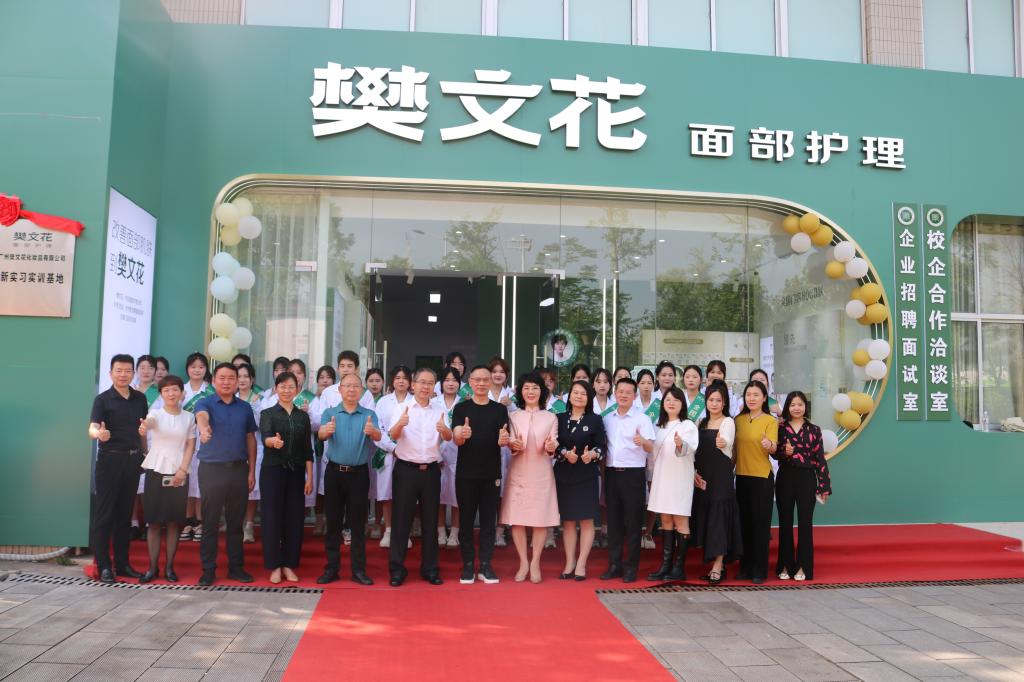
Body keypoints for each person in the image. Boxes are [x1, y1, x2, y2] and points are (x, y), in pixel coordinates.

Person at [386, 368, 453, 587]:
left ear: (435, 387)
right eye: (422, 382)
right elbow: (392, 435)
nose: (426, 386)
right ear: (413, 385)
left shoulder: (439, 410)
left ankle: (430, 569)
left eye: (430, 383)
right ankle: (397, 569)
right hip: (406, 470)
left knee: (430, 522)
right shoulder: (401, 408)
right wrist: (401, 424)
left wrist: (444, 430)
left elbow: (448, 437)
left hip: (431, 471)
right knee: (401, 521)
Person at [194, 363, 258, 586]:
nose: (227, 382)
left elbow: (250, 438)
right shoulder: (205, 402)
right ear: (213, 381)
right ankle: (208, 570)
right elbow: (201, 416)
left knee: (235, 522)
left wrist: (252, 470)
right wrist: (204, 429)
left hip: (239, 470)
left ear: (237, 381)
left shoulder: (245, 407)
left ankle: (236, 568)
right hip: (211, 470)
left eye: (231, 378)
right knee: (210, 522)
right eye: (222, 377)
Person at [88, 354, 148, 583]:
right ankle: (104, 566)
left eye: (127, 371)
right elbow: (92, 427)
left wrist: (145, 453)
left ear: (133, 373)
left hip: (132, 461)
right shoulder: (103, 400)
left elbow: (142, 429)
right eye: (119, 370)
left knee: (124, 516)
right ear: (110, 373)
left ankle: (122, 565)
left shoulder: (140, 398)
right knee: (104, 516)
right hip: (109, 462)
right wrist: (99, 434)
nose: (123, 375)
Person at [317, 373, 381, 585]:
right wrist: (325, 431)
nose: (352, 389)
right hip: (334, 473)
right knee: (333, 522)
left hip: (359, 475)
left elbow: (379, 437)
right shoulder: (330, 413)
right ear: (340, 389)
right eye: (347, 386)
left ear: (361, 390)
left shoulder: (369, 414)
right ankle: (331, 568)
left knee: (358, 524)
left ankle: (358, 570)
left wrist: (373, 432)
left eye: (356, 386)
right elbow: (321, 434)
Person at [451, 365, 511, 584]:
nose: (482, 383)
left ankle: (486, 564)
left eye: (486, 379)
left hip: (491, 473)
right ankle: (468, 564)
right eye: (477, 380)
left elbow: (505, 437)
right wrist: (462, 434)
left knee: (488, 521)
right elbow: (456, 437)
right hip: (466, 474)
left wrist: (504, 440)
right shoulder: (461, 408)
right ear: (470, 382)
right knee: (466, 521)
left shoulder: (499, 410)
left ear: (491, 382)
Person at [500, 373, 559, 583]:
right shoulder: (513, 416)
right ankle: (523, 562)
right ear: (520, 392)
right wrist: (513, 444)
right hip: (519, 472)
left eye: (535, 388)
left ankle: (535, 563)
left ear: (542, 391)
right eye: (526, 388)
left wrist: (551, 447)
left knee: (540, 520)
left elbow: (553, 442)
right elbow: (510, 442)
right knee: (518, 519)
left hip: (542, 473)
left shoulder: (551, 417)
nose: (530, 392)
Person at [137, 375, 196, 583]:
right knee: (154, 522)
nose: (171, 393)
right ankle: (152, 568)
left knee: (173, 522)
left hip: (179, 472)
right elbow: (150, 423)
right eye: (166, 390)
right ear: (161, 394)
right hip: (156, 469)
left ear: (182, 393)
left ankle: (169, 567)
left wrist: (183, 470)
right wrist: (145, 426)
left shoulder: (189, 417)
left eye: (175, 389)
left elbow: (190, 445)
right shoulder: (155, 413)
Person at [259, 371, 314, 584]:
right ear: (276, 389)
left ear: (297, 389)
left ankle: (289, 564)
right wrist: (273, 442)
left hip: (296, 473)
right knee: (272, 518)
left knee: (294, 518)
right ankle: (274, 566)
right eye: (282, 386)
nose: (287, 390)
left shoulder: (303, 417)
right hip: (273, 471)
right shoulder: (268, 413)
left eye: (291, 386)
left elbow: (308, 449)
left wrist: (309, 477)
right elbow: (265, 437)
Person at [601, 377, 655, 583]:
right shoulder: (608, 419)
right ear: (615, 393)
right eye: (620, 391)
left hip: (633, 475)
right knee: (614, 522)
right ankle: (614, 565)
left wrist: (643, 441)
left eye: (628, 392)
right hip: (612, 474)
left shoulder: (642, 419)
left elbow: (651, 447)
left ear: (634, 395)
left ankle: (631, 567)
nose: (623, 395)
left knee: (633, 523)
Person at [775, 391, 831, 582]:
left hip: (807, 478)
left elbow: (820, 458)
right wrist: (784, 451)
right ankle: (785, 564)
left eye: (800, 404)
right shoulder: (780, 427)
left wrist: (824, 485)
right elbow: (774, 453)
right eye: (792, 404)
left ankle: (803, 566)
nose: (796, 408)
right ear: (787, 407)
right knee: (785, 522)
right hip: (785, 477)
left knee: (805, 523)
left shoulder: (814, 430)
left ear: (806, 407)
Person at [646, 387, 699, 581]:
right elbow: (652, 454)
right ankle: (666, 565)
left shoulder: (688, 425)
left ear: (682, 404)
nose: (671, 403)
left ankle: (679, 567)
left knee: (680, 521)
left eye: (676, 400)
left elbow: (689, 448)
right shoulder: (658, 426)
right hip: (662, 477)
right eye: (667, 399)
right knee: (666, 520)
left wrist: (679, 444)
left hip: (680, 478)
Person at [554, 380, 605, 581]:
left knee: (586, 521)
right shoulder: (559, 418)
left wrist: (592, 454)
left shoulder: (595, 420)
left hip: (586, 476)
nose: (578, 396)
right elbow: (553, 446)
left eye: (583, 393)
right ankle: (570, 562)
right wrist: (565, 453)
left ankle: (581, 563)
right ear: (569, 396)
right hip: (564, 475)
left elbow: (601, 446)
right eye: (575, 392)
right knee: (567, 521)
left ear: (589, 398)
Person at [692, 381, 740, 584]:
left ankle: (718, 566)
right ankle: (714, 561)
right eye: (711, 400)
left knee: (719, 520)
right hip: (703, 477)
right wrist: (694, 472)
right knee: (707, 518)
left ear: (724, 402)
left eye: (718, 400)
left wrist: (723, 442)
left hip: (721, 477)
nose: (714, 403)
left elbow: (727, 441)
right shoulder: (700, 422)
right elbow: (693, 451)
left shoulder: (728, 422)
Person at [734, 379, 778, 584]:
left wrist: (769, 445)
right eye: (748, 395)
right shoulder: (738, 420)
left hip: (762, 478)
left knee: (760, 526)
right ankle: (745, 568)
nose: (751, 398)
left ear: (764, 398)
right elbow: (734, 451)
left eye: (756, 395)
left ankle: (759, 570)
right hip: (742, 477)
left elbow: (773, 447)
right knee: (744, 524)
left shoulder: (770, 420)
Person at [372, 365, 414, 548]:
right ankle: (388, 531)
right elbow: (377, 429)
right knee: (387, 494)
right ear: (392, 381)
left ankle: (405, 532)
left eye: (404, 378)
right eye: (397, 378)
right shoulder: (383, 402)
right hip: (388, 454)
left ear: (410, 381)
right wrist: (392, 447)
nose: (401, 381)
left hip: (410, 455)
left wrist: (403, 449)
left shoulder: (415, 401)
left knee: (407, 495)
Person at [180, 352, 213, 543]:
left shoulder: (211, 390)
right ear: (187, 369)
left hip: (204, 441)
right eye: (193, 367)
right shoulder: (180, 389)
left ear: (206, 369)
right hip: (183, 442)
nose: (197, 370)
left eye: (201, 367)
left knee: (201, 483)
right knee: (186, 481)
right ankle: (187, 520)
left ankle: (200, 521)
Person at [433, 366, 464, 548]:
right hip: (435, 454)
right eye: (446, 380)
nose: (450, 384)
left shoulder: (465, 403)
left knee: (456, 496)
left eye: (454, 380)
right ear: (441, 383)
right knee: (439, 496)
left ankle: (454, 532)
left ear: (459, 383)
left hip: (459, 455)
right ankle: (440, 531)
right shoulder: (433, 402)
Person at [488, 356, 515, 548]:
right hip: (485, 448)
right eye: (494, 371)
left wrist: (510, 406)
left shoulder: (512, 395)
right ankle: (488, 530)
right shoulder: (482, 392)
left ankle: (500, 531)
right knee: (487, 492)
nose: (498, 375)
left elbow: (519, 421)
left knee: (503, 493)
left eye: (502, 372)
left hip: (505, 449)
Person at [237, 362, 263, 543]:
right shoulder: (230, 398)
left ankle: (249, 525)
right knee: (236, 488)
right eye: (239, 376)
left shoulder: (259, 400)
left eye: (246, 376)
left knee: (252, 488)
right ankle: (236, 523)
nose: (242, 380)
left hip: (255, 447)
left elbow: (261, 424)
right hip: (234, 448)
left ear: (252, 379)